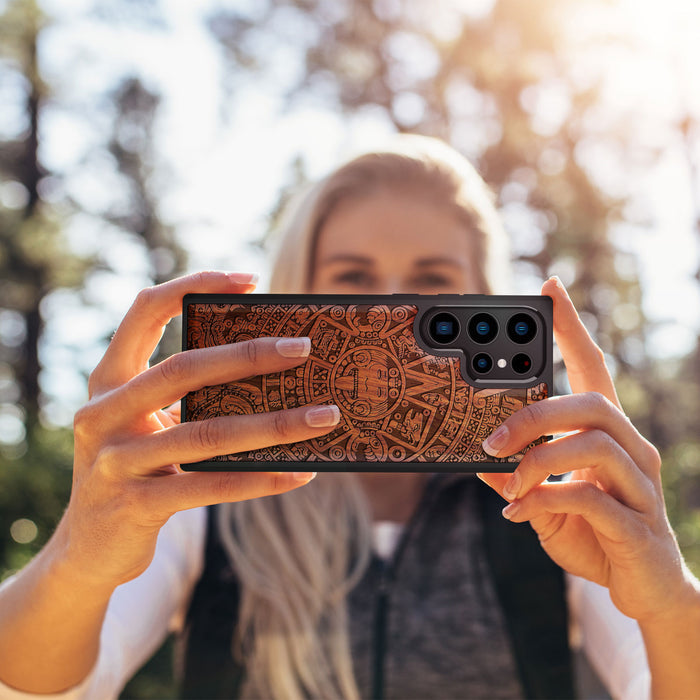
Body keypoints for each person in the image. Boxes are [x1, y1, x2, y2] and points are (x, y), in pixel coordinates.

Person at [0, 135, 699, 700]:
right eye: (353, 279)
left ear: (484, 301)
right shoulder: (204, 493)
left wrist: (669, 603)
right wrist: (78, 559)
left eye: (431, 280)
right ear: (296, 296)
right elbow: (41, 686)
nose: (390, 308)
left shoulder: (552, 496)